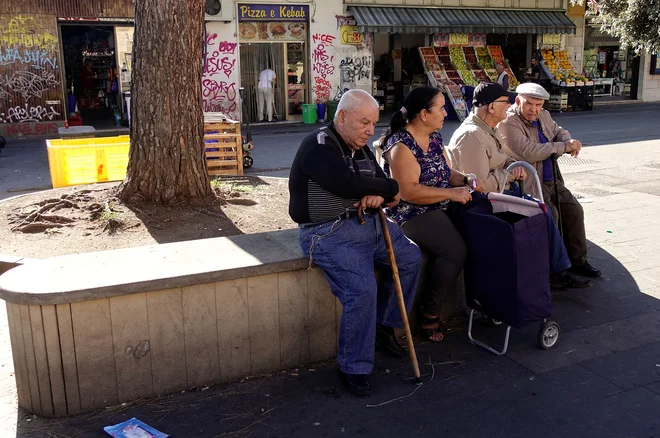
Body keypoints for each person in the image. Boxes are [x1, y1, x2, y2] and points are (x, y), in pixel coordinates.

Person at [289, 89, 422, 397]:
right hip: (328, 233)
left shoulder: (360, 149)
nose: (369, 131)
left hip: (369, 223)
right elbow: (349, 184)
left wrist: (380, 191)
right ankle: (354, 366)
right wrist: (384, 187)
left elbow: (384, 188)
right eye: (364, 122)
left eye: (373, 124)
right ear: (342, 116)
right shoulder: (319, 145)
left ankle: (384, 327)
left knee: (411, 259)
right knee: (362, 290)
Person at [447, 82, 592, 290]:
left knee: (565, 211)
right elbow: (478, 184)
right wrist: (509, 173)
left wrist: (510, 166)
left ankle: (569, 265)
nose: (508, 107)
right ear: (492, 107)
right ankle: (555, 272)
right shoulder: (473, 134)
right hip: (486, 204)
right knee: (544, 215)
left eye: (539, 105)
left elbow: (503, 157)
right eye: (506, 102)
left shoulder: (488, 128)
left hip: (514, 189)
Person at [379, 86, 485, 343]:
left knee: (481, 226)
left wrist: (466, 179)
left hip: (436, 204)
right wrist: (450, 194)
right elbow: (408, 192)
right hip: (409, 212)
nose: (445, 112)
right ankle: (430, 313)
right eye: (440, 108)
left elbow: (446, 173)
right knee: (455, 250)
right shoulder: (401, 146)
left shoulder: (434, 136)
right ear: (424, 114)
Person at [498, 83, 602, 279]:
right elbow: (528, 151)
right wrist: (563, 146)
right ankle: (553, 270)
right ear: (518, 100)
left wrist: (568, 140)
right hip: (530, 183)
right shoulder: (509, 121)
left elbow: (558, 130)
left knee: (574, 210)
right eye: (529, 104)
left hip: (552, 179)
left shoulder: (543, 115)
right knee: (550, 216)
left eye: (538, 105)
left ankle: (578, 261)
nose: (534, 109)